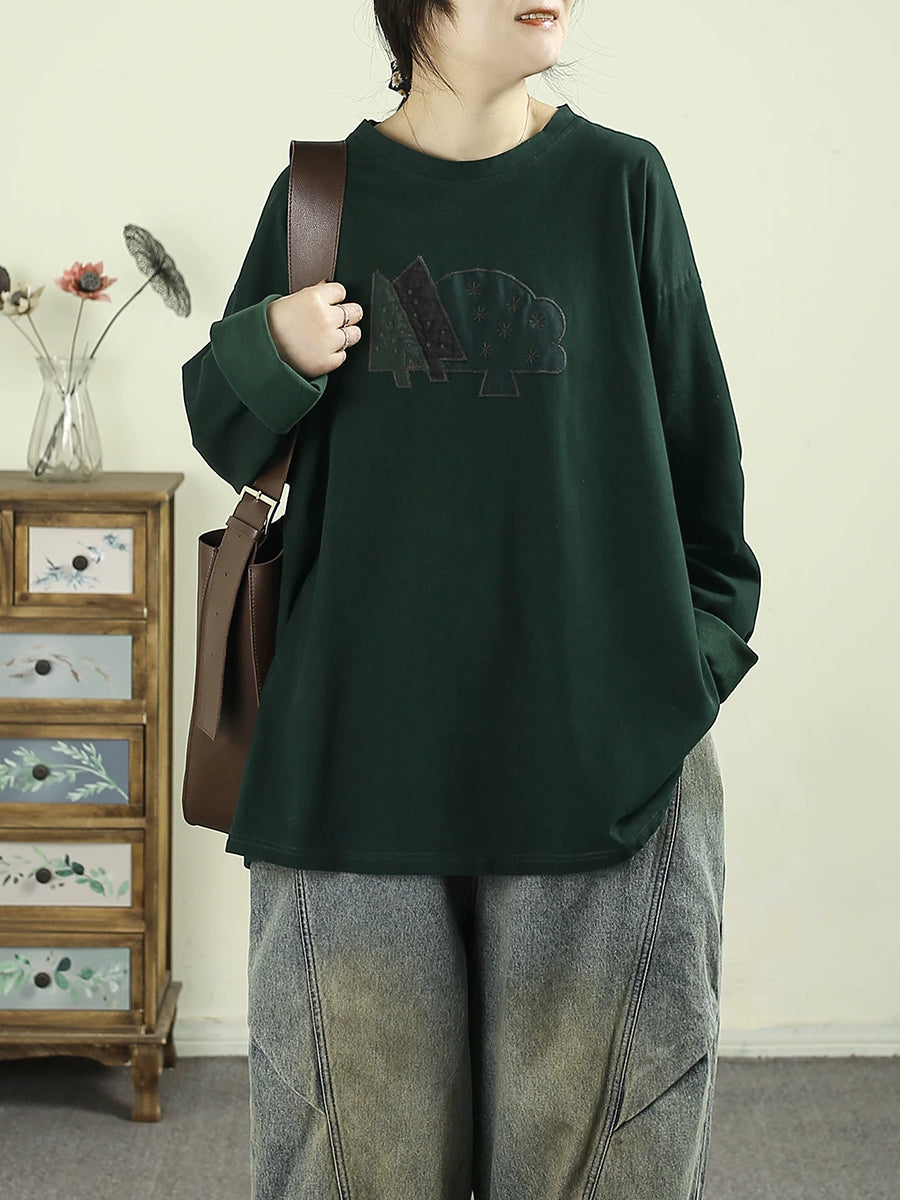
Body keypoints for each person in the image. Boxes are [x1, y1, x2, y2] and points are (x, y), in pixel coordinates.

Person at [181, 1, 762, 1196]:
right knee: (363, 1165)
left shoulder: (620, 185)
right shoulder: (319, 200)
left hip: (599, 760)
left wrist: (681, 674)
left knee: (598, 1164)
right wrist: (275, 345)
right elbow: (227, 433)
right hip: (356, 766)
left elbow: (703, 463)